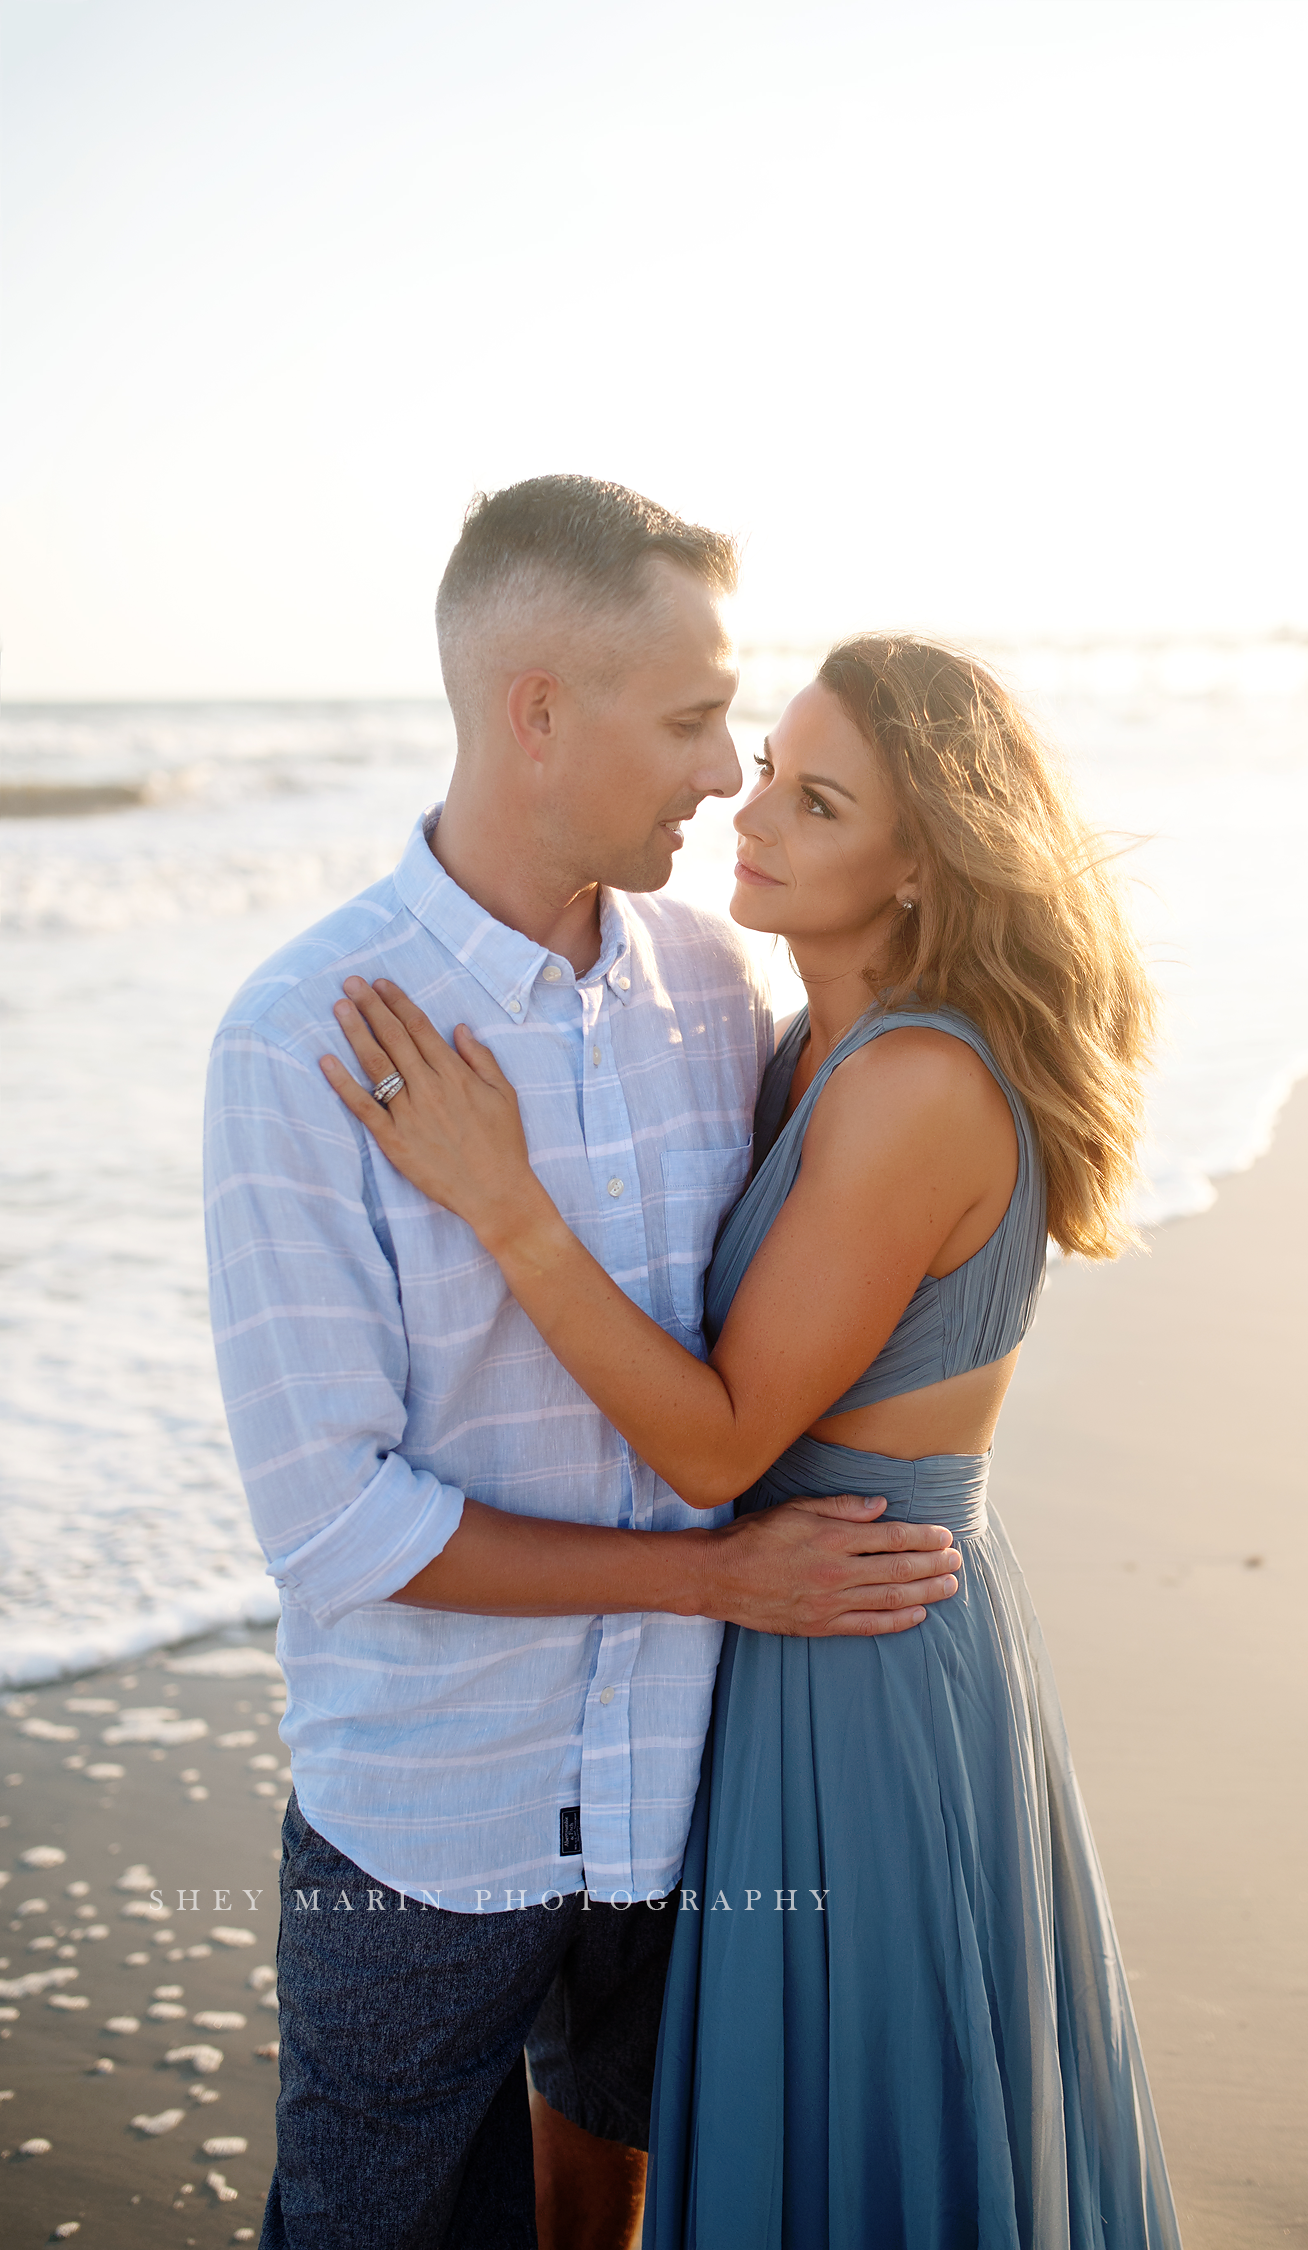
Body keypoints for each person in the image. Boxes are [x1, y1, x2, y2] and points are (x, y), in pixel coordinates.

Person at [325, 634, 1183, 2248]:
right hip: (791, 1622)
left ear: (922, 864)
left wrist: (500, 1200)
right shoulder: (806, 1045)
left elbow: (721, 1444)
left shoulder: (914, 1082)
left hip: (859, 1649)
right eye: (769, 764)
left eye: (815, 796)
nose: (751, 806)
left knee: (867, 2133)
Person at [203, 479, 965, 2250]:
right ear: (539, 709)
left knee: (602, 2215)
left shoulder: (720, 987)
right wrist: (719, 1575)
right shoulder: (302, 1037)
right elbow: (332, 1524)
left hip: (693, 1788)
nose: (726, 774)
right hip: (433, 1824)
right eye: (696, 720)